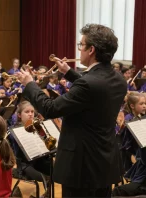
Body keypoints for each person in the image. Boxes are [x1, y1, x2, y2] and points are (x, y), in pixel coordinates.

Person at [16, 23, 127, 197]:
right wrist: (68, 72)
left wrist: (29, 84)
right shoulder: (118, 78)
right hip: (104, 162)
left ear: (91, 50)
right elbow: (95, 88)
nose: (79, 49)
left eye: (81, 45)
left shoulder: (88, 83)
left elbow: (50, 108)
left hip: (81, 166)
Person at [113, 92, 146, 196]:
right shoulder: (130, 121)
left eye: (145, 103)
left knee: (118, 192)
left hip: (142, 168)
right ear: (132, 106)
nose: (145, 106)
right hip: (138, 162)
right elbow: (125, 146)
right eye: (141, 104)